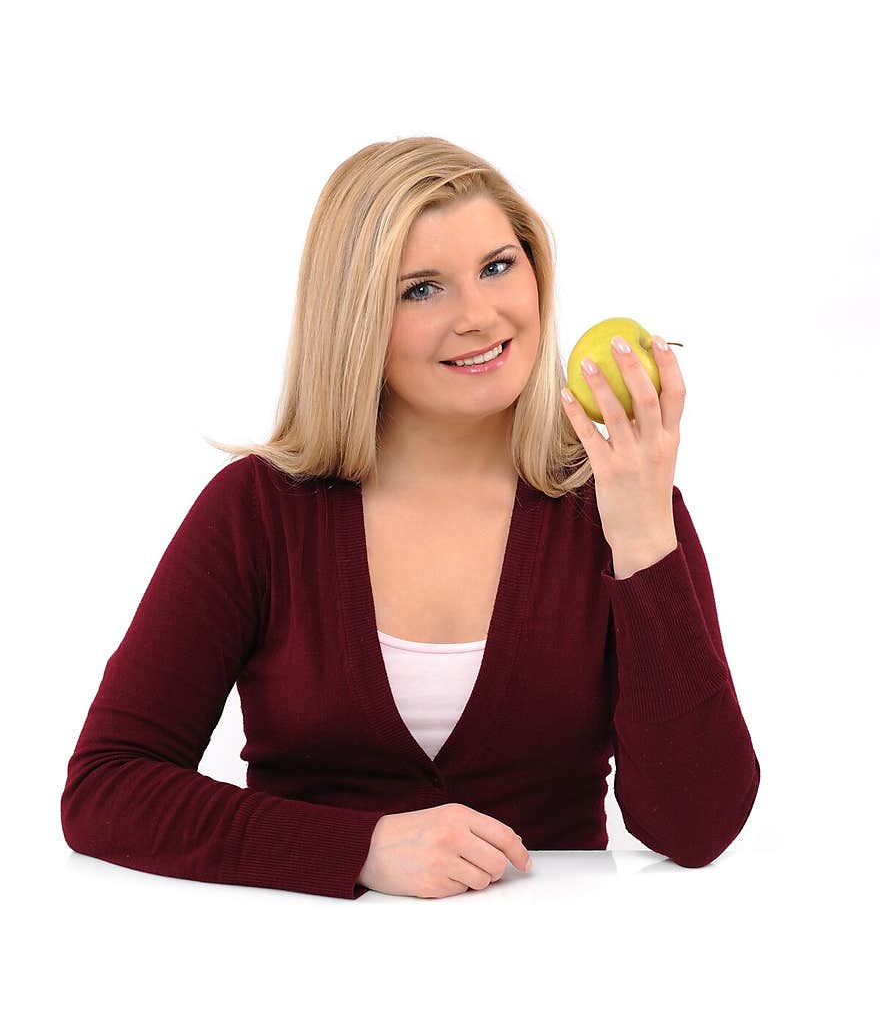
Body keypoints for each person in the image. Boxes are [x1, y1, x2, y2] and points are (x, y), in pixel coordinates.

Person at [60, 136, 760, 901]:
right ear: (355, 317)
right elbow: (106, 786)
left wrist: (643, 541)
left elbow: (698, 826)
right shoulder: (258, 512)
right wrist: (357, 846)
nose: (479, 315)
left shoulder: (620, 505)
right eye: (421, 289)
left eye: (498, 266)